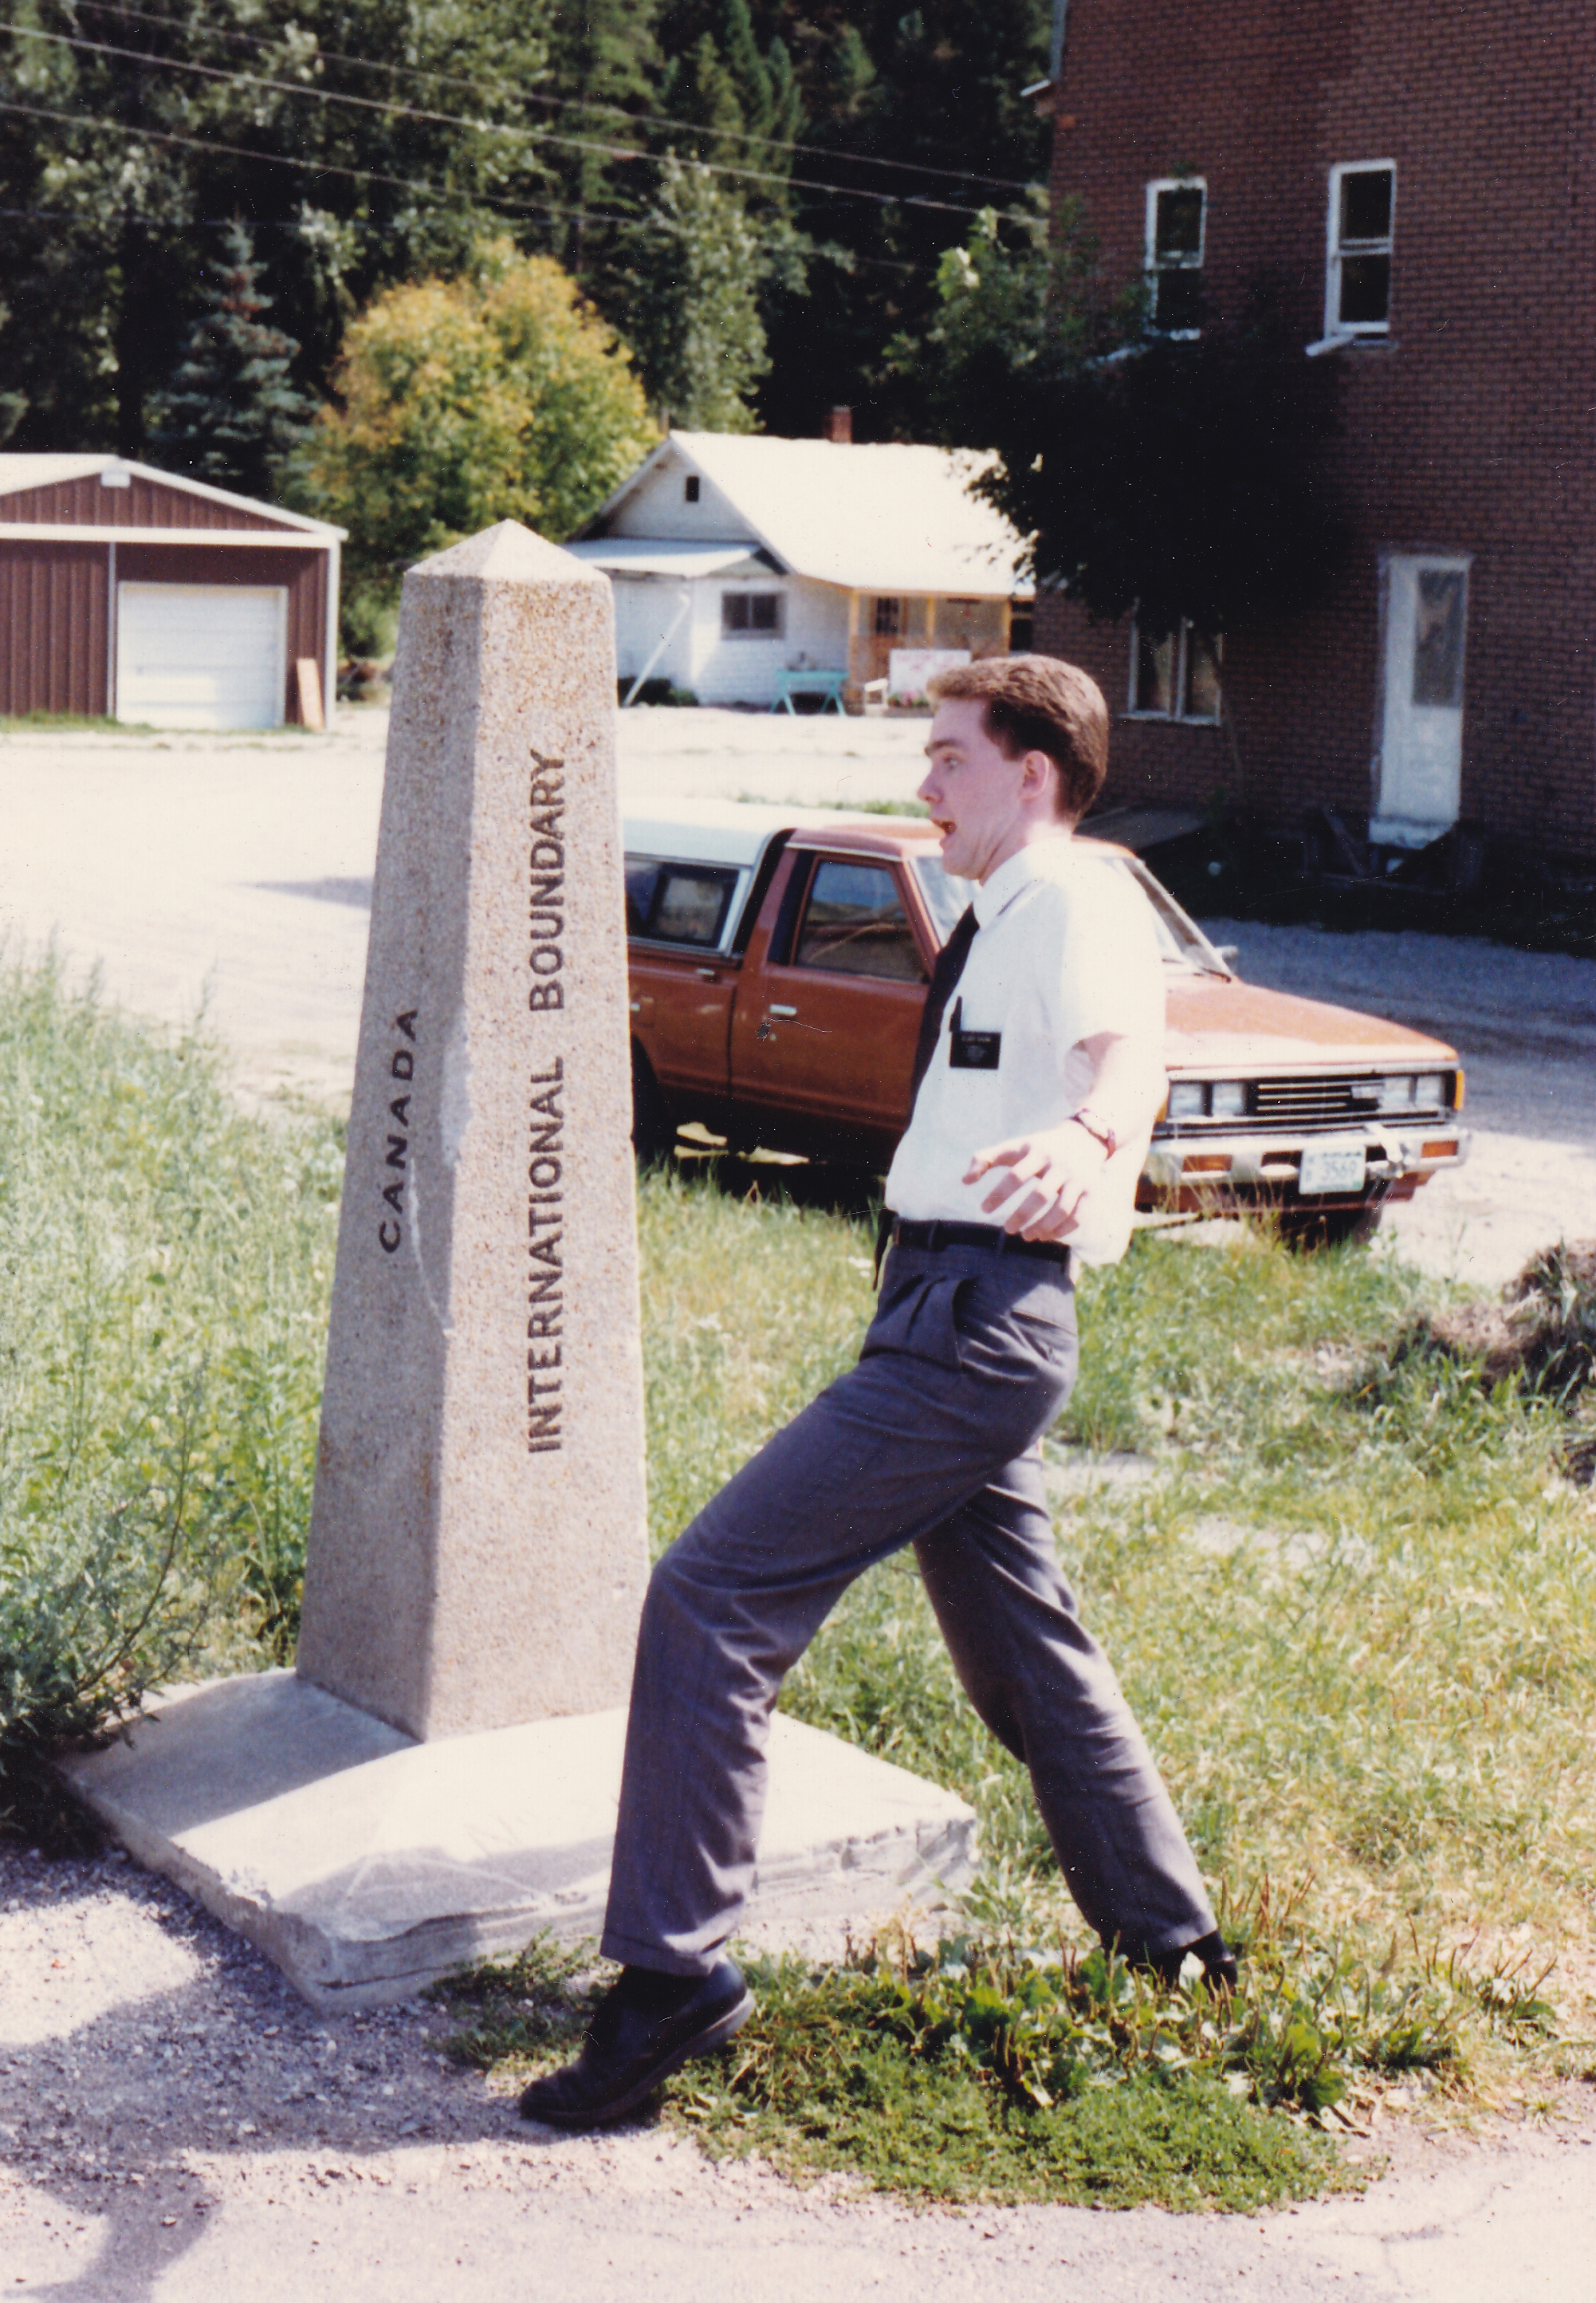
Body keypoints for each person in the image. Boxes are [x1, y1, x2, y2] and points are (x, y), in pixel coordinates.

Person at [524, 655, 1231, 2131]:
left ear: (1030, 773)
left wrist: (1095, 1136)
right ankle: (1176, 1952)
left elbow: (1132, 1050)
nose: (921, 782)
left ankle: (670, 1978)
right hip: (945, 1303)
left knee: (710, 1595)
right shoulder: (996, 906)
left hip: (972, 1321)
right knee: (1022, 1653)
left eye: (947, 757)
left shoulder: (1075, 895)